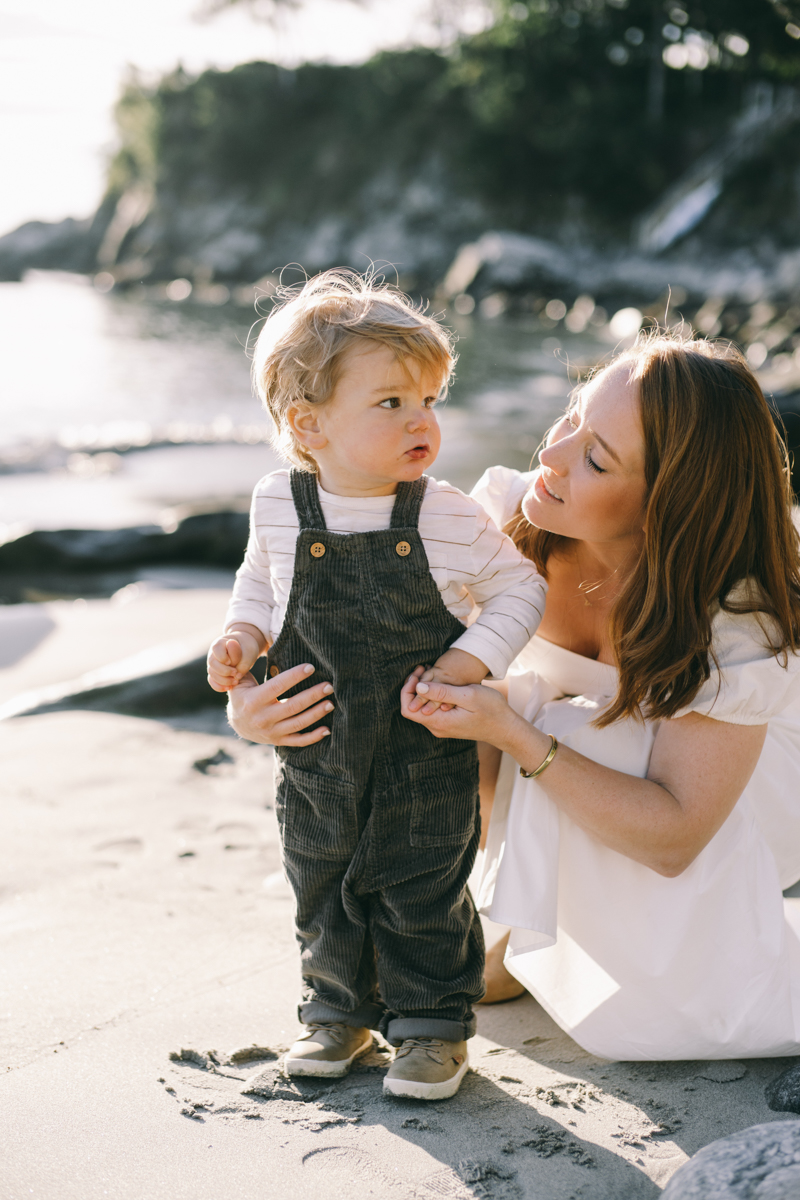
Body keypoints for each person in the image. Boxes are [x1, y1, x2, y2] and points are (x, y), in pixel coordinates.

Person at [398, 331, 800, 1061]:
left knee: (547, 718)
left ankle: (550, 940)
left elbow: (678, 835)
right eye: (574, 415)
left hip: (731, 789)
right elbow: (357, 630)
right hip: (581, 765)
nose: (550, 456)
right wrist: (254, 696)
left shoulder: (737, 620)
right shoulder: (505, 523)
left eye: (596, 457)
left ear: (663, 508)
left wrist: (517, 735)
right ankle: (497, 918)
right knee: (470, 692)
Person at [209, 270, 547, 1099]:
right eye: (391, 402)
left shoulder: (444, 515)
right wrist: (239, 636)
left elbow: (520, 590)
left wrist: (470, 663)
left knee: (421, 881)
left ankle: (433, 1026)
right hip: (316, 752)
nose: (421, 420)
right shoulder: (275, 505)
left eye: (428, 400)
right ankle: (338, 1013)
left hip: (420, 751)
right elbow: (262, 582)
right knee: (321, 882)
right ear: (307, 423)